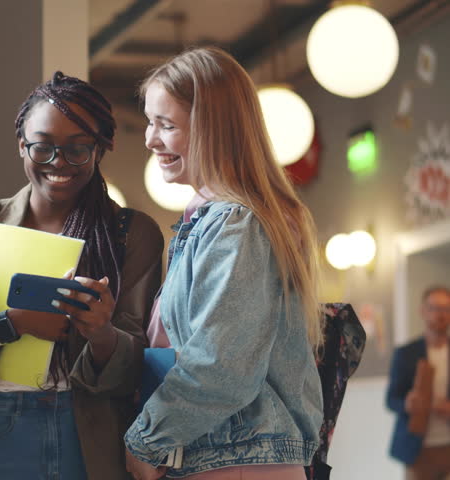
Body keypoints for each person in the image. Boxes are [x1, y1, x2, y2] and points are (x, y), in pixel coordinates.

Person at [0, 71, 164, 480]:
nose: (59, 164)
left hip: (91, 435)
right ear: (22, 145)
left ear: (101, 149)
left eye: (78, 150)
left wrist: (100, 332)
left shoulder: (131, 234)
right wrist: (10, 325)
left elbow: (137, 370)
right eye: (43, 148)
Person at [123, 46, 324, 479]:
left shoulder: (235, 223)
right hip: (229, 455)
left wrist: (146, 440)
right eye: (149, 122)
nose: (150, 139)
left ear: (212, 128)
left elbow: (222, 364)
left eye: (166, 124)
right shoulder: (219, 220)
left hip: (233, 459)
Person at [387, 286, 450, 480]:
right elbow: (391, 399)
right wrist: (407, 403)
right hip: (417, 449)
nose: (440, 314)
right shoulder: (406, 353)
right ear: (423, 311)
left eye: (446, 309)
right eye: (434, 308)